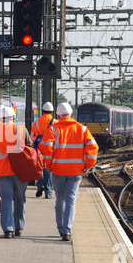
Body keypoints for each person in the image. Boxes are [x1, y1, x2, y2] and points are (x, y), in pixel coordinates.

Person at [39, 102, 99, 241]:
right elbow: (93, 147)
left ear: (58, 115)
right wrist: (88, 165)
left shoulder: (53, 129)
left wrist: (48, 164)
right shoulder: (82, 129)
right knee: (71, 200)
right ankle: (67, 230)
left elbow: (45, 148)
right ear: (71, 114)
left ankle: (60, 228)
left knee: (60, 199)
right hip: (76, 171)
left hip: (58, 170)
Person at [0, 105, 33, 238]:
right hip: (20, 171)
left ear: (0, 119)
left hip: (2, 171)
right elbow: (29, 146)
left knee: (7, 199)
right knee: (20, 198)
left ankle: (8, 229)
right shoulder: (21, 129)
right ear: (13, 117)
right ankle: (19, 226)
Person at [31, 102, 57, 199]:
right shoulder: (55, 122)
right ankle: (48, 192)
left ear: (43, 111)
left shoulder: (37, 122)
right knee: (48, 169)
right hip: (50, 149)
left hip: (39, 148)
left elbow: (32, 137)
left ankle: (40, 185)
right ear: (52, 111)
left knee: (39, 168)